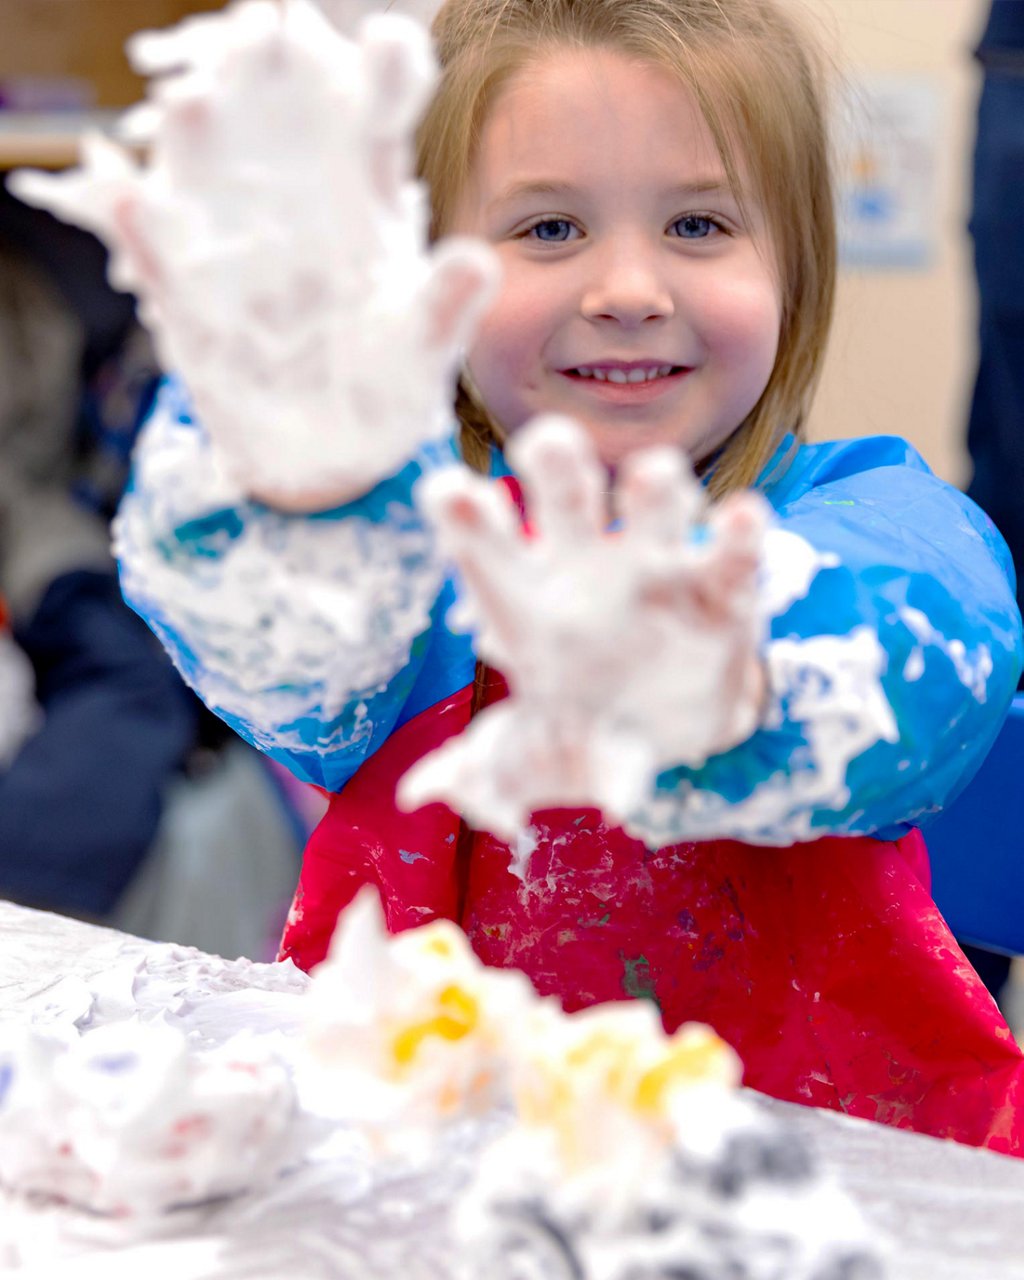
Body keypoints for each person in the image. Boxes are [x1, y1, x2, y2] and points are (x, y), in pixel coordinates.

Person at [106, 0, 1024, 1153]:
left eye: (698, 224)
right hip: (425, 1172)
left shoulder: (874, 515)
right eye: (548, 230)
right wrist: (291, 481)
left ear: (794, 272)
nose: (628, 286)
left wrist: (733, 660)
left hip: (823, 1187)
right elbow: (280, 645)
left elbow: (932, 641)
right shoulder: (406, 567)